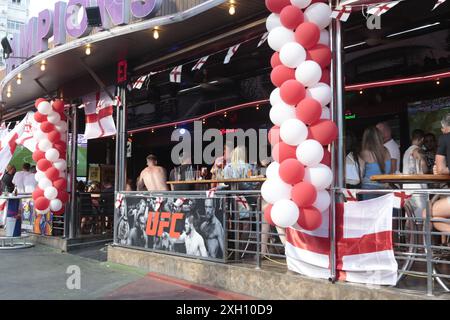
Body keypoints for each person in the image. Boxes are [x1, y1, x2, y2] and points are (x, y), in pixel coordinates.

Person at [427, 114, 450, 234]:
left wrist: (441, 169)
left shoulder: (445, 138)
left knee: (427, 213)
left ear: (445, 127)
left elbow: (440, 170)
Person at [359, 127, 393, 200]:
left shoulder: (364, 153)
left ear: (365, 138)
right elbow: (390, 171)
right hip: (385, 190)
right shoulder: (386, 151)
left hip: (368, 191)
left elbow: (359, 175)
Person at [402, 129, 428, 217]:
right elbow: (425, 169)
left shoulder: (406, 152)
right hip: (418, 190)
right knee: (421, 219)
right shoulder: (417, 150)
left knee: (410, 218)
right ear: (422, 139)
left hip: (408, 189)